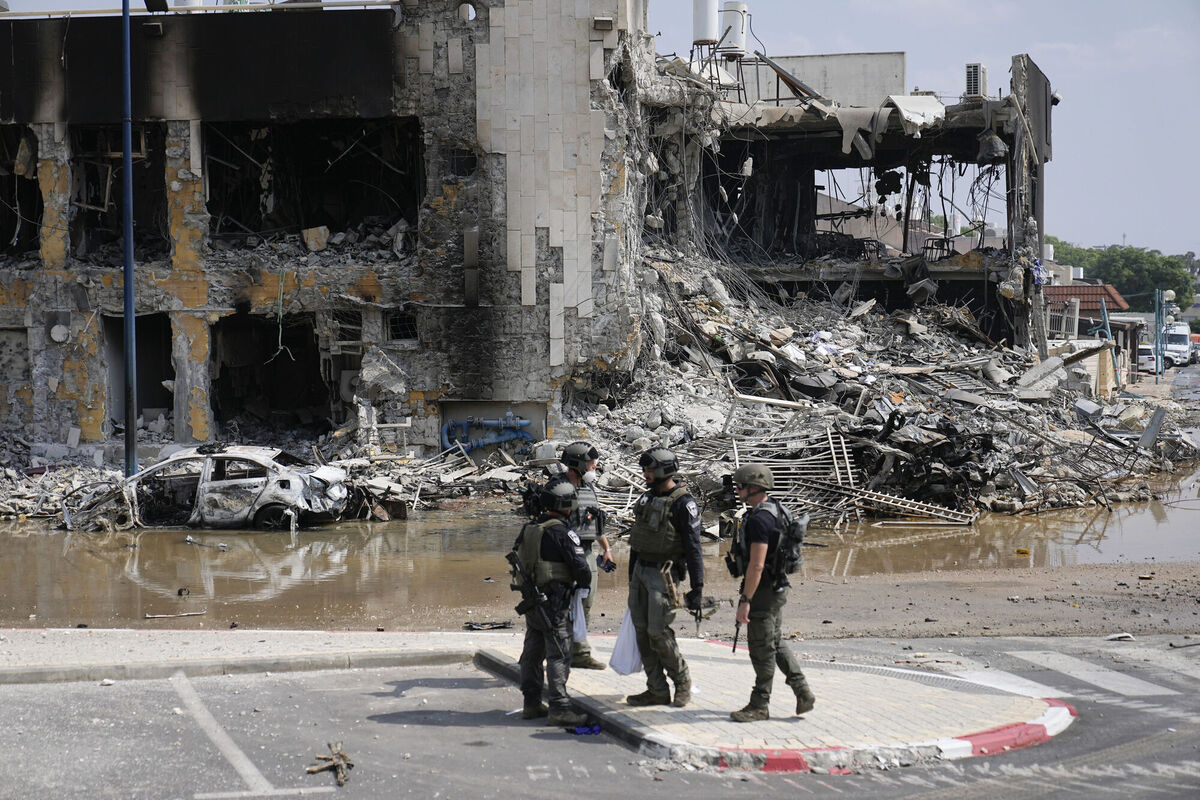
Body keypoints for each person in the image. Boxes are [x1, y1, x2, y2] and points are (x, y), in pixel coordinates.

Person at [727, 463, 815, 722]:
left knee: (761, 648)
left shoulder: (759, 520)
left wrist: (746, 600)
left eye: (740, 486)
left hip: (763, 590)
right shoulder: (777, 509)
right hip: (777, 586)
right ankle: (802, 691)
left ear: (753, 488)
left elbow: (756, 565)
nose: (738, 490)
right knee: (775, 641)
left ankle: (759, 705)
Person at [624, 447, 704, 708]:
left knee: (658, 632)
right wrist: (631, 576)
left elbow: (693, 547)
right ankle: (656, 689)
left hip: (665, 575)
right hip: (641, 573)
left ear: (665, 471)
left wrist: (697, 586)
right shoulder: (646, 499)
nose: (645, 474)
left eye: (650, 470)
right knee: (642, 633)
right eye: (644, 470)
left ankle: (682, 682)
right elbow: (638, 538)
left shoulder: (683, 503)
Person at [510, 480, 592, 726]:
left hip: (533, 602)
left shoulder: (530, 528)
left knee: (532, 654)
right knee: (559, 654)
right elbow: (583, 572)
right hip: (555, 603)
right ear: (567, 504)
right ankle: (559, 707)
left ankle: (531, 703)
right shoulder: (562, 532)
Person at [546, 441, 615, 670]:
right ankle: (557, 653)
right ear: (577, 465)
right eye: (590, 463)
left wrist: (607, 549)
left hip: (586, 552)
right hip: (563, 555)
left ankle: (580, 653)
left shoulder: (588, 488)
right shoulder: (557, 488)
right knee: (560, 607)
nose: (594, 467)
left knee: (585, 604)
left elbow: (594, 523)